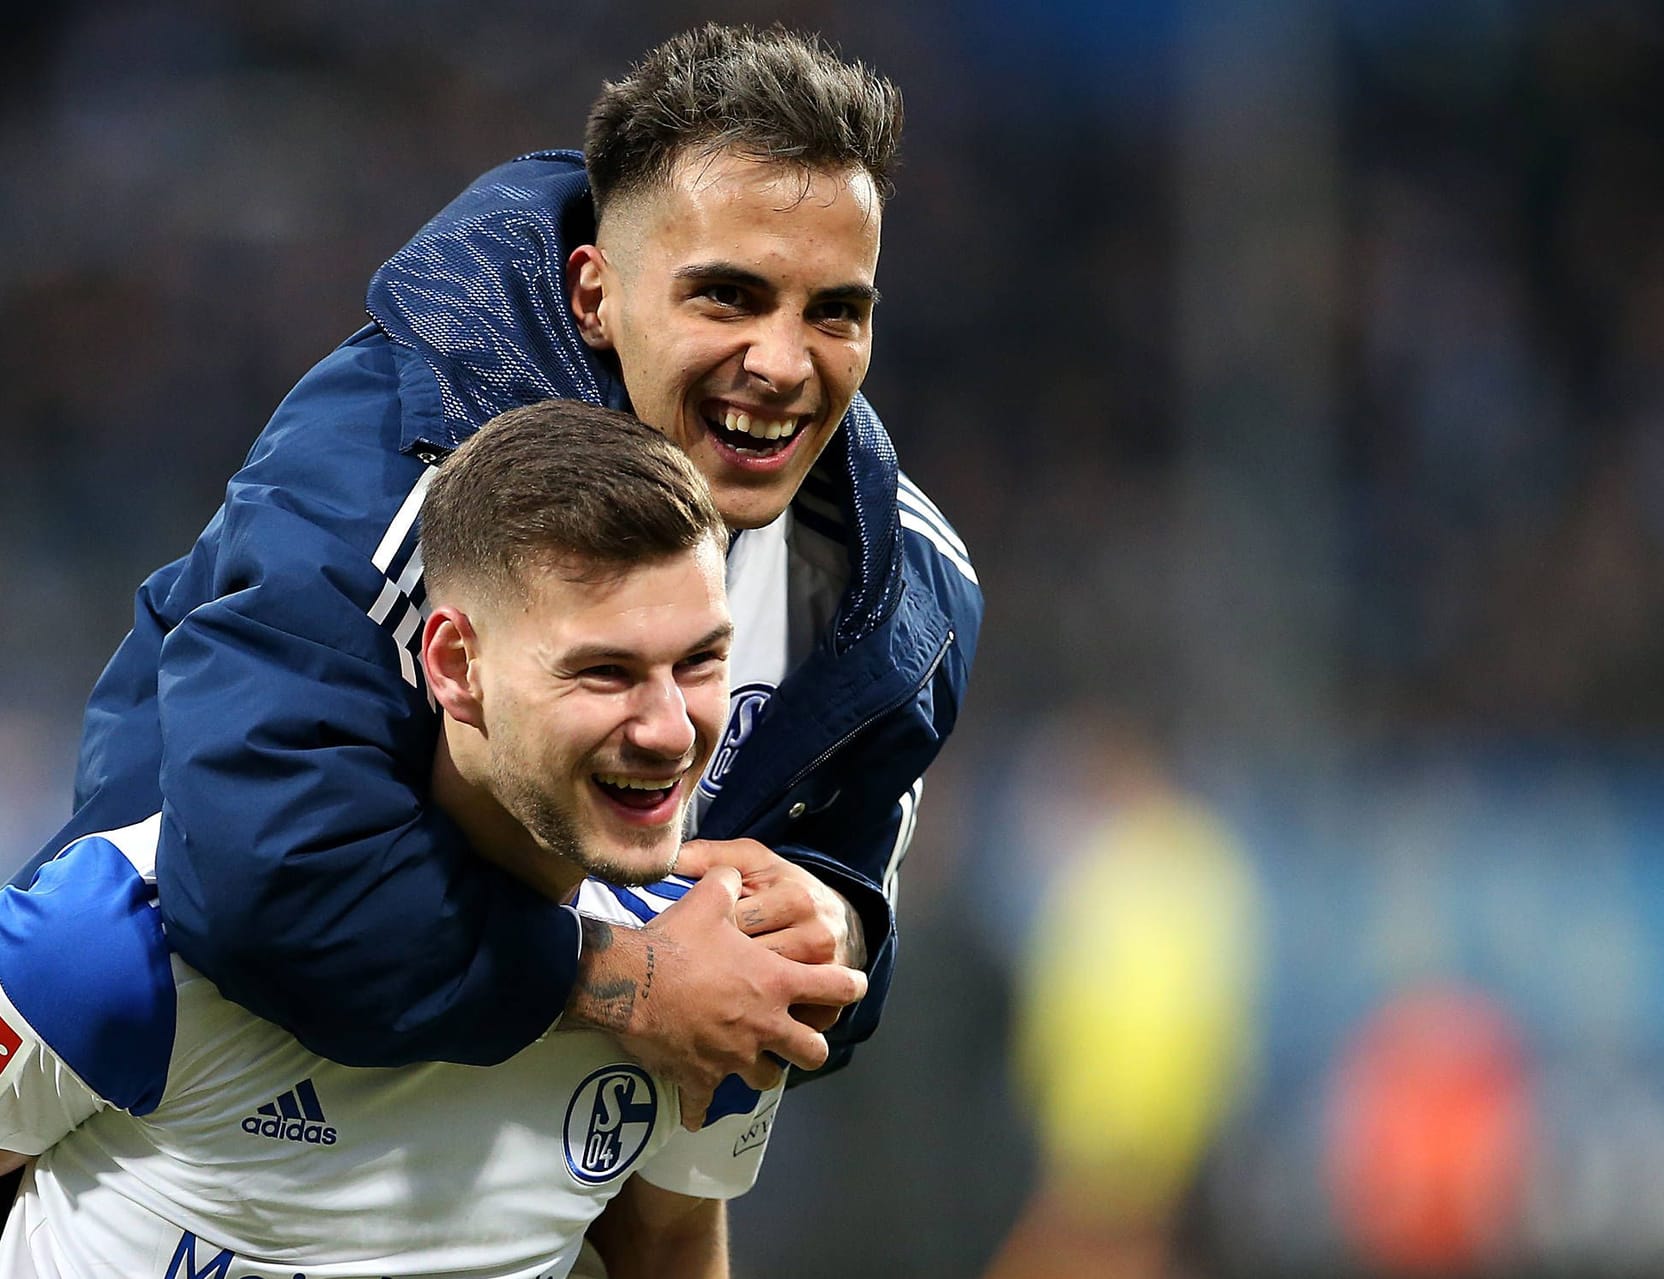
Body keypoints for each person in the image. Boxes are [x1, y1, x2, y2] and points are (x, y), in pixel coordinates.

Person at [24, 23, 982, 1118]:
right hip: (198, 1115)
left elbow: (844, 926)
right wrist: (626, 980)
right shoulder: (387, 470)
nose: (780, 363)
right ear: (595, 296)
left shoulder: (902, 598)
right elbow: (255, 871)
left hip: (537, 1157)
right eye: (726, 297)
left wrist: (833, 929)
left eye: (835, 313)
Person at [0, 401, 834, 1277]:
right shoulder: (125, 938)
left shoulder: (716, 978)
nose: (670, 729)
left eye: (699, 661)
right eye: (605, 671)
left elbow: (665, 1246)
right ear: (454, 666)